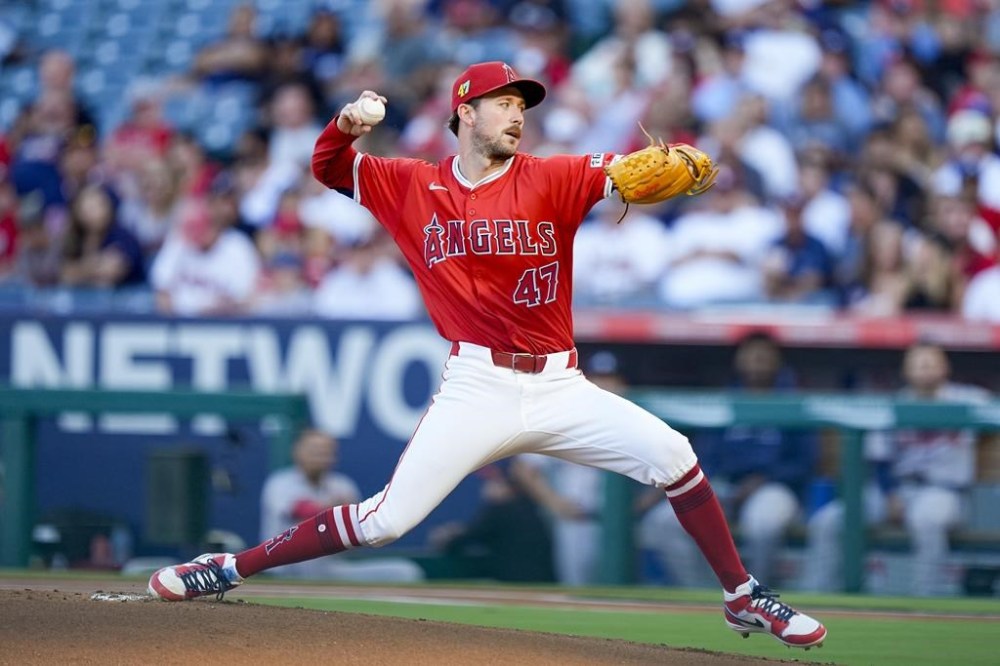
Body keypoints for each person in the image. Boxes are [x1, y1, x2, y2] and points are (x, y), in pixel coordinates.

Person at [148, 61, 826, 650]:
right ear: (464, 113)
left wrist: (658, 166)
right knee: (387, 520)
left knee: (675, 455)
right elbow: (328, 168)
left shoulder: (551, 176)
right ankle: (228, 567)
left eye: (523, 105)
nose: (517, 115)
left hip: (561, 384)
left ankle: (741, 594)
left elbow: (619, 173)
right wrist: (349, 124)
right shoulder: (411, 185)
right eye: (503, 102)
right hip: (479, 384)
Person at [806, 342, 991, 596]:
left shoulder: (970, 399)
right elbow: (879, 460)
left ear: (945, 368)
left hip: (944, 492)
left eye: (931, 362)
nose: (925, 369)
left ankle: (928, 602)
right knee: (828, 521)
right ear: (906, 372)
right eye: (918, 363)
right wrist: (891, 494)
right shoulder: (896, 404)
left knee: (926, 519)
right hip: (895, 490)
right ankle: (821, 597)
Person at [638, 331, 817, 588]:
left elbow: (805, 462)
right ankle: (707, 595)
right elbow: (704, 456)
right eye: (751, 355)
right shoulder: (723, 400)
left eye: (764, 356)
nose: (756, 361)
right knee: (664, 521)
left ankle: (757, 599)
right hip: (725, 485)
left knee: (762, 523)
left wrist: (766, 478)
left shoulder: (794, 401)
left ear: (778, 362)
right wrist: (714, 483)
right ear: (739, 360)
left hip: (774, 487)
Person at [509, 351, 627, 586]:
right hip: (578, 521)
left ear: (623, 384)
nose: (604, 384)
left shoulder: (636, 419)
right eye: (598, 377)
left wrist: (637, 508)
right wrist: (554, 502)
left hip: (620, 523)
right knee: (577, 591)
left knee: (623, 591)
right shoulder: (567, 418)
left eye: (611, 378)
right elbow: (524, 469)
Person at [260, 429, 424, 583]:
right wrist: (338, 508)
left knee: (406, 571)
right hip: (284, 567)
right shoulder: (280, 483)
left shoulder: (342, 485)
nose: (319, 456)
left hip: (328, 567)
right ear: (297, 452)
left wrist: (349, 522)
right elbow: (303, 511)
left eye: (325, 452)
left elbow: (359, 535)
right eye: (313, 450)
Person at [430, 462, 555, 583]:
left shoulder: (502, 509)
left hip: (518, 580)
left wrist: (447, 539)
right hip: (542, 577)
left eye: (493, 482)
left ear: (507, 486)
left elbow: (469, 537)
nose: (486, 487)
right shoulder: (527, 507)